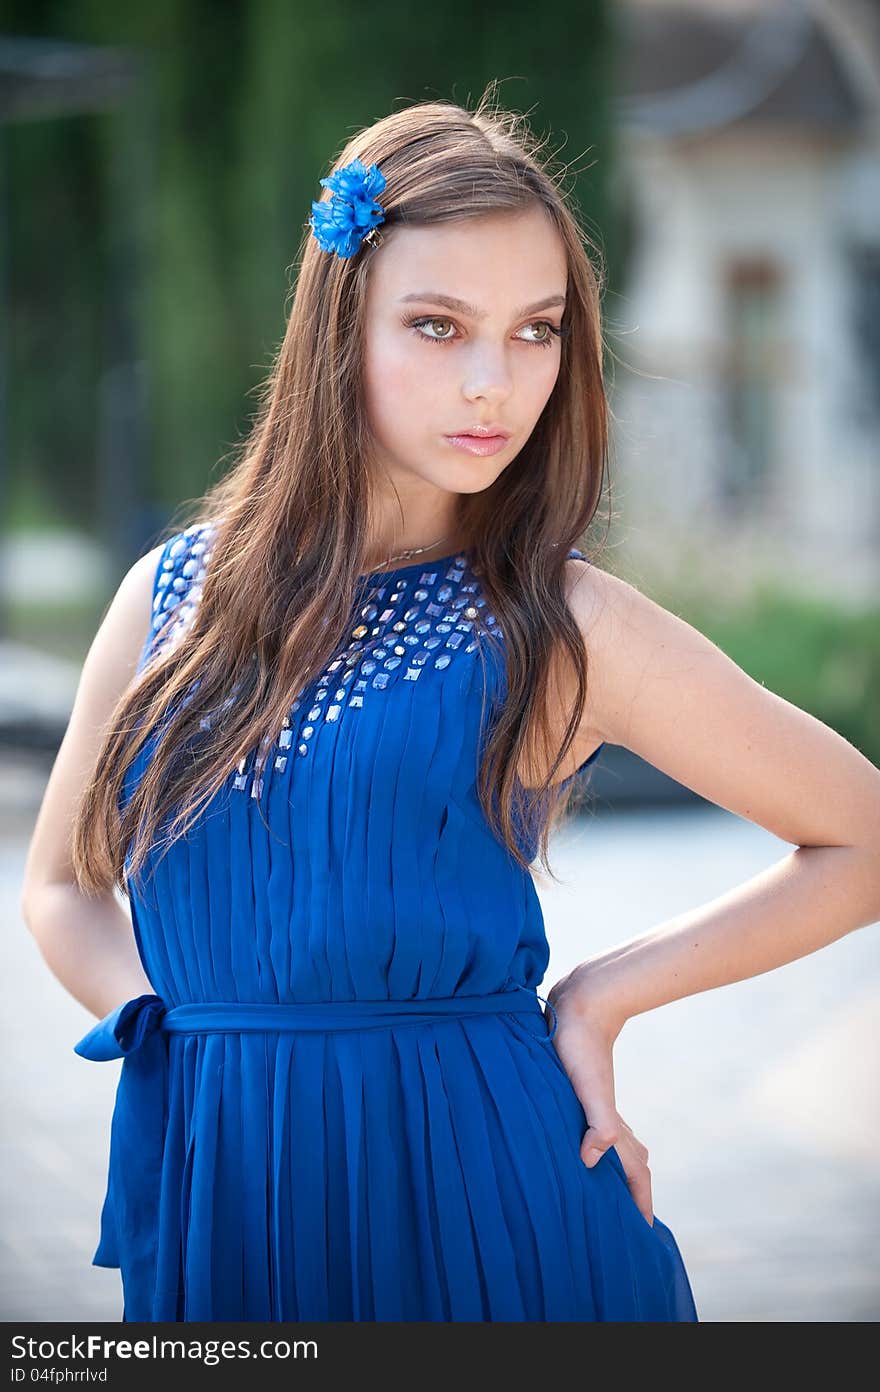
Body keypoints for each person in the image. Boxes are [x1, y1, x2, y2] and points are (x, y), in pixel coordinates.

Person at [21, 85, 880, 1324]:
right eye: (438, 327)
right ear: (340, 325)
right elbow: (61, 885)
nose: (495, 384)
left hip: (489, 1204)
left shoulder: (564, 621)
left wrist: (605, 992)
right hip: (226, 1191)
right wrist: (162, 1027)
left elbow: (859, 832)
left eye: (535, 331)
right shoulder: (169, 595)